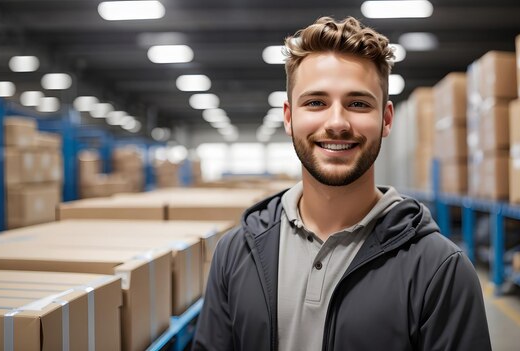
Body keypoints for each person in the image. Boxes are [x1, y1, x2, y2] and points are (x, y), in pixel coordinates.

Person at [192, 16, 491, 351]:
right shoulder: (235, 254)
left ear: (386, 119)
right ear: (289, 117)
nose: (337, 123)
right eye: (316, 102)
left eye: (358, 104)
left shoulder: (440, 269)